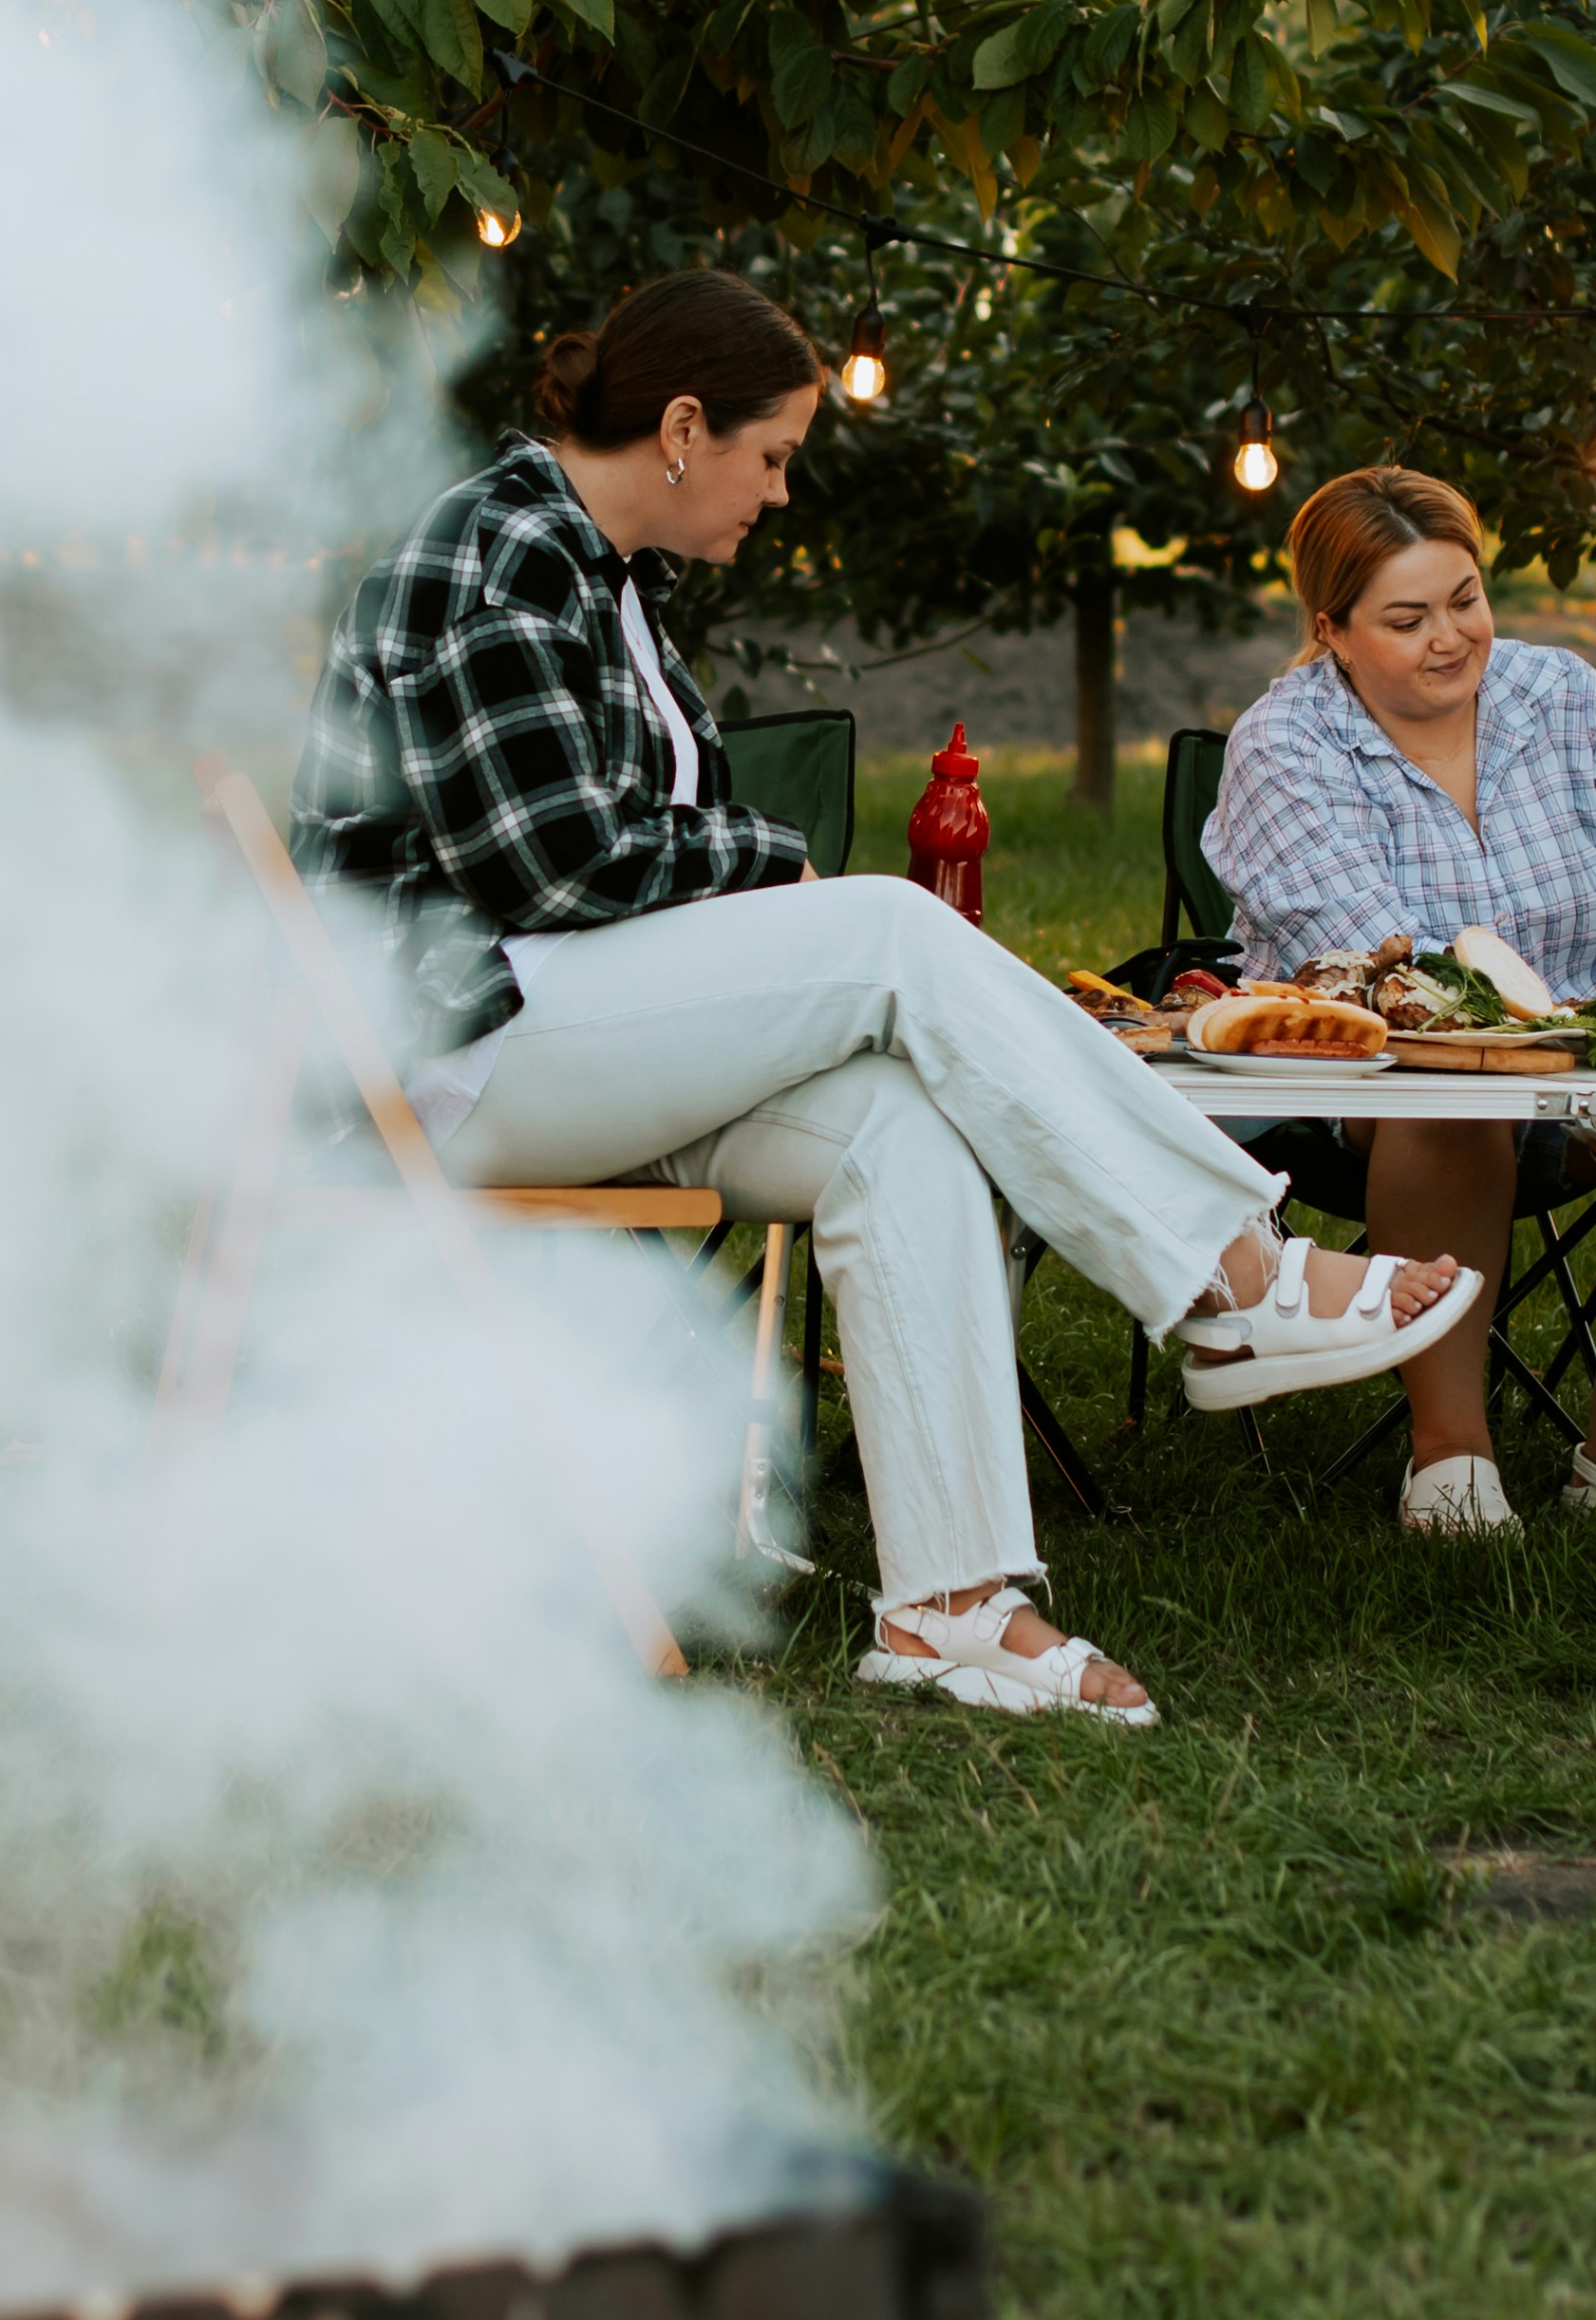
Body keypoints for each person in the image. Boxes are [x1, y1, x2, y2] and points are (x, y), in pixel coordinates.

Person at [293, 273, 1485, 1730]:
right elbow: (562, 863)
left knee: (894, 1125)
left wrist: (747, 879)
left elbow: (634, 864)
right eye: (774, 453)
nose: (780, 492)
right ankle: (1232, 1272)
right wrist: (780, 857)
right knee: (885, 929)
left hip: (568, 1039)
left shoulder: (617, 579)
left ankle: (949, 1607)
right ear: (682, 429)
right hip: (445, 1057)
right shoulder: (502, 553)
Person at [1200, 467, 1596, 1537]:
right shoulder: (1284, 744)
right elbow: (1406, 982)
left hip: (1590, 1073)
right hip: (1370, 1083)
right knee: (1459, 1098)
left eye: (1464, 599)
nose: (1449, 637)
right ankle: (1450, 1457)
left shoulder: (1560, 699)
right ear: (1331, 628)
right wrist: (1579, 1087)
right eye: (1406, 617)